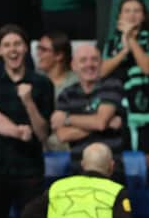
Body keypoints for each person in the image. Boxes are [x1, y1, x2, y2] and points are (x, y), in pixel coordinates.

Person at [0, 24, 54, 218]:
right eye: (7, 45)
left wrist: (28, 102)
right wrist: (17, 132)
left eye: (17, 44)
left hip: (30, 169)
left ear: (26, 47)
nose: (13, 49)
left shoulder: (43, 83)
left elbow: (44, 134)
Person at [20, 142, 138, 218]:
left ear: (83, 164)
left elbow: (28, 216)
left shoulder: (58, 187)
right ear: (112, 166)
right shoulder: (115, 192)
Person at [51, 44, 127, 184]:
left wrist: (67, 119)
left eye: (94, 59)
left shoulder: (112, 85)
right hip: (78, 171)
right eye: (83, 60)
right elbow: (63, 135)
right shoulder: (66, 94)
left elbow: (100, 122)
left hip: (111, 171)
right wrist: (104, 124)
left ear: (101, 63)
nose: (89, 64)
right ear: (73, 65)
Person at [101, 0, 149, 169]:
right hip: (118, 107)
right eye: (127, 11)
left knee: (146, 163)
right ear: (119, 16)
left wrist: (131, 39)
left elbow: (147, 68)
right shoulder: (112, 42)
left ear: (143, 16)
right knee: (120, 163)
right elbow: (103, 71)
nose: (132, 15)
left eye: (136, 11)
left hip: (144, 107)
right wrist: (124, 50)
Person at [36, 31, 78, 99]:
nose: (38, 53)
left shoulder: (76, 82)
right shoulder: (34, 80)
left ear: (59, 55)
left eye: (43, 50)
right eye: (38, 48)